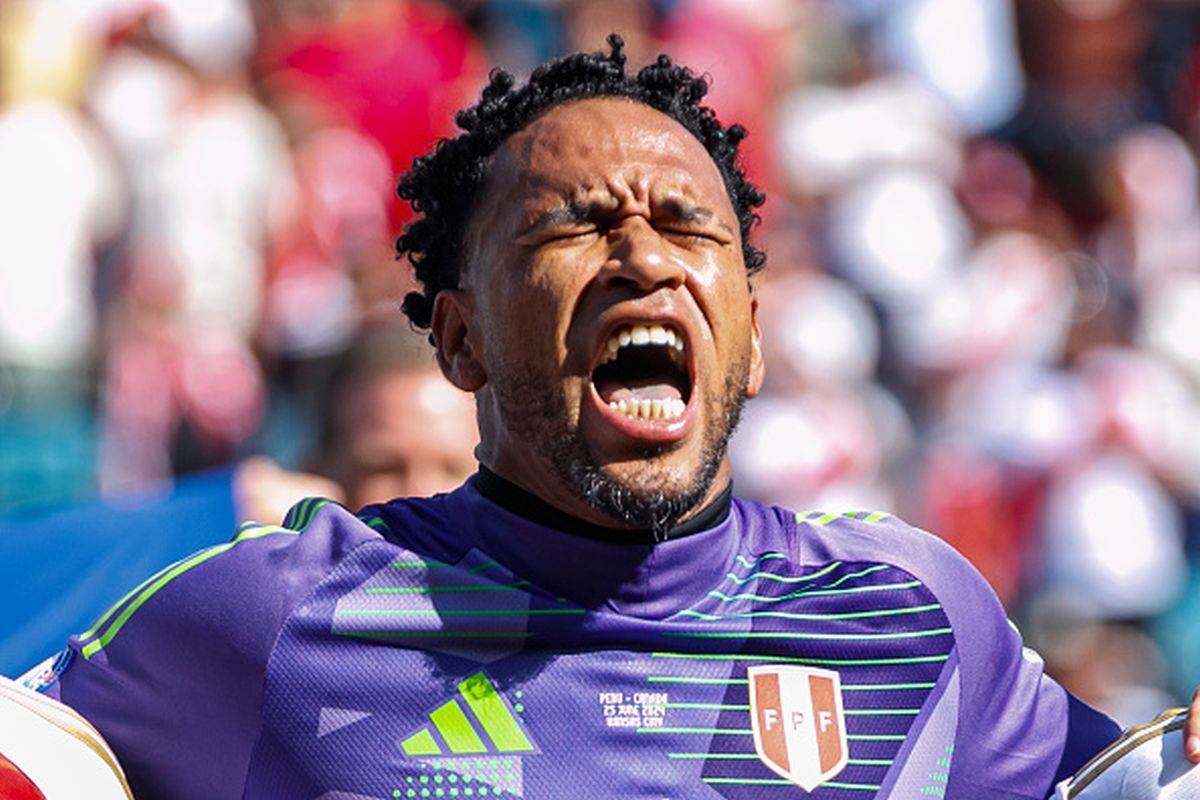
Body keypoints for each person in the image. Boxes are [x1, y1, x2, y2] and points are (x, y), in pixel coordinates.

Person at [28, 37, 1200, 799]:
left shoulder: (913, 617)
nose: (643, 257)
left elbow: (1127, 778)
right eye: (570, 228)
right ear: (460, 337)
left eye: (692, 230)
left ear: (753, 327)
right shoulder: (270, 616)